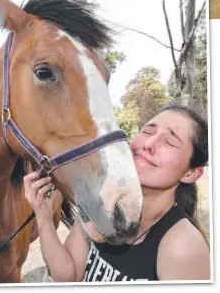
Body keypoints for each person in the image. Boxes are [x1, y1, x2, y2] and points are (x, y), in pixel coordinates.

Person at [24, 105, 210, 282]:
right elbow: (67, 276)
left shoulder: (183, 248)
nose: (149, 144)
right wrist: (43, 217)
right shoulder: (101, 199)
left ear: (191, 173)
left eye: (169, 141)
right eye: (147, 131)